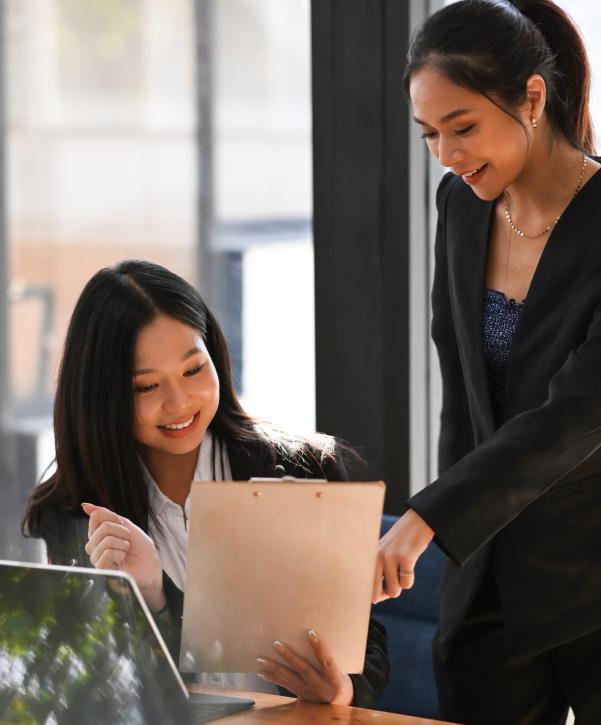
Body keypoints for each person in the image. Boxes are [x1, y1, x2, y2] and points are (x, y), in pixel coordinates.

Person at [371, 1, 601, 724]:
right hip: (487, 569)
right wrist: (456, 545)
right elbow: (462, 403)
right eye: (429, 134)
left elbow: (575, 413)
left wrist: (425, 516)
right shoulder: (461, 204)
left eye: (462, 127)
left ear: (533, 96)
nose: (445, 153)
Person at [23, 259, 389, 709]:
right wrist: (153, 598)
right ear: (103, 397)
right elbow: (102, 689)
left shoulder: (305, 470)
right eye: (145, 387)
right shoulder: (72, 512)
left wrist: (342, 689)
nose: (178, 403)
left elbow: (364, 643)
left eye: (194, 370)